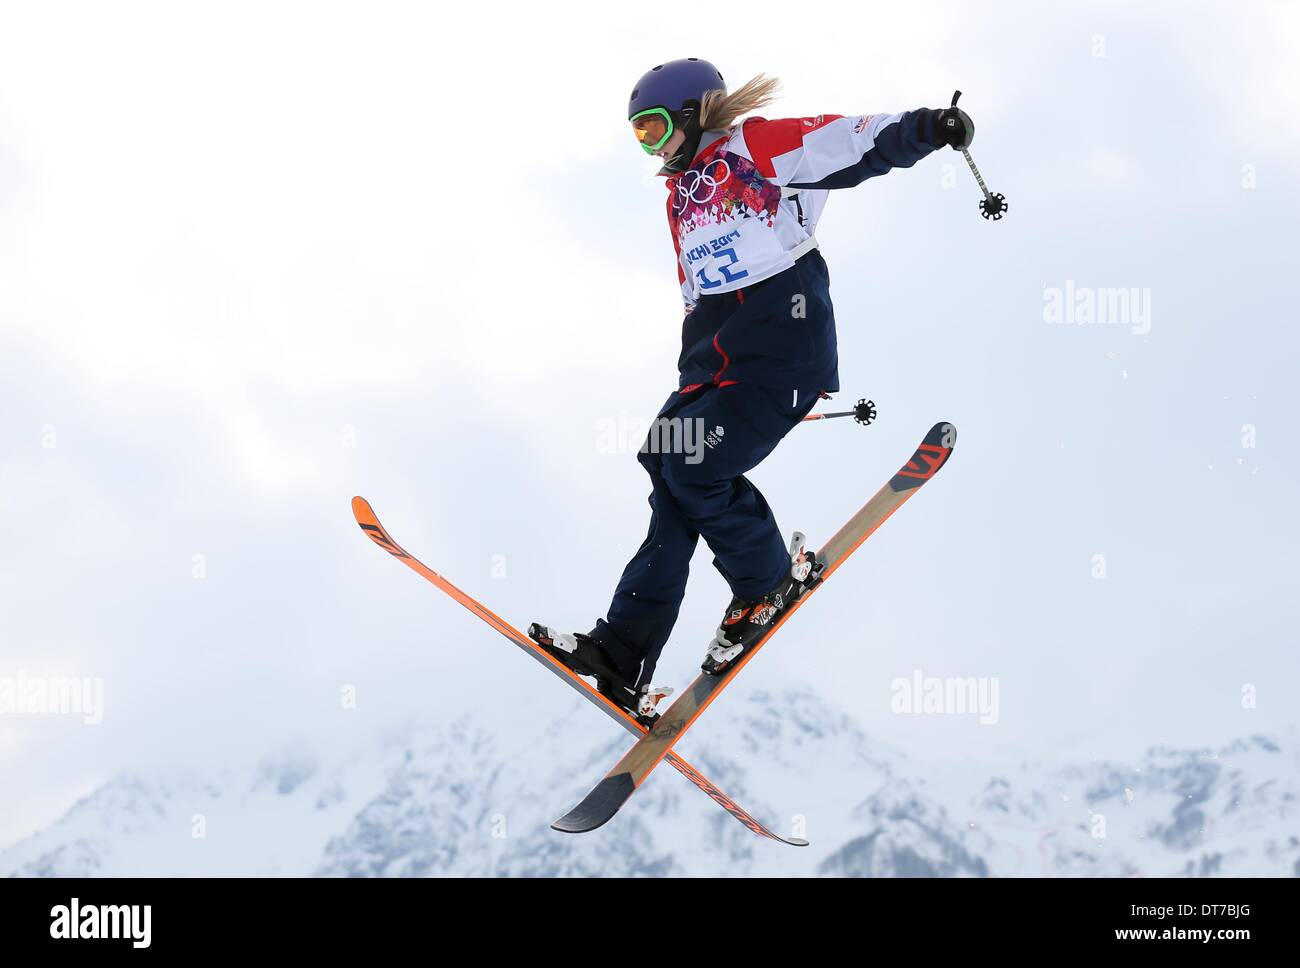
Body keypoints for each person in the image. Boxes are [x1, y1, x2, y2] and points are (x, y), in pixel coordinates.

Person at [530, 58, 973, 719]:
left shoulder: (752, 149)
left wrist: (928, 129)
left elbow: (850, 140)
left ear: (690, 112)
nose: (651, 146)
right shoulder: (680, 196)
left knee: (691, 463)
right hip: (720, 358)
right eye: (638, 137)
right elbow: (694, 291)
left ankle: (765, 583)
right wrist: (693, 380)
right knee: (668, 462)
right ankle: (622, 653)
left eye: (654, 128)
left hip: (784, 349)